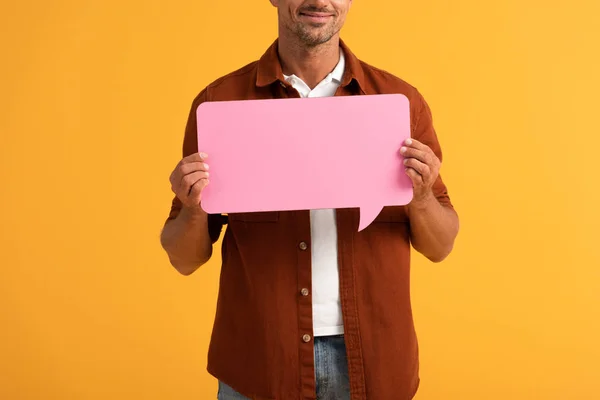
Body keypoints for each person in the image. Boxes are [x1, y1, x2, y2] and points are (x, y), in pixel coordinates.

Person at [160, 0, 459, 399]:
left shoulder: (398, 103)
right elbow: (184, 258)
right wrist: (194, 206)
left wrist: (421, 197)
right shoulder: (221, 103)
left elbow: (440, 247)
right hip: (260, 362)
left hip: (375, 362)